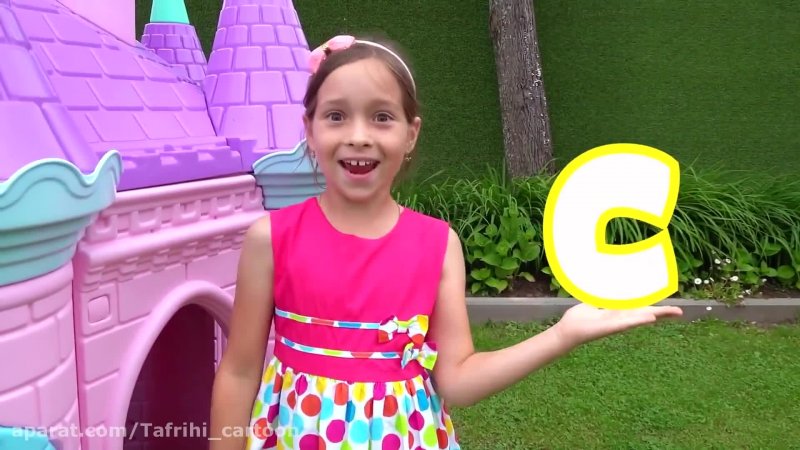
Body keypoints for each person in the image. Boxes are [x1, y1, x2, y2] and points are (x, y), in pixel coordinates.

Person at [208, 34, 683, 450]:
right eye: (336, 116)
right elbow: (239, 372)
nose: (358, 136)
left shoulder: (437, 245)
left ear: (410, 134)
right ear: (309, 130)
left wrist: (563, 335)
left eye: (381, 117)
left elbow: (456, 380)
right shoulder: (271, 239)